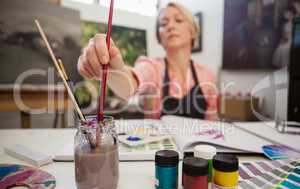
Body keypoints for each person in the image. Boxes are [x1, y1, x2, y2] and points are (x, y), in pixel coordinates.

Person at [77, 2, 218, 120]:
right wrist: (113, 70)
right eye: (164, 23)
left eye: (179, 20)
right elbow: (129, 85)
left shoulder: (207, 75)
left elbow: (212, 124)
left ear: (193, 31)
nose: (170, 26)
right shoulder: (152, 67)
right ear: (159, 36)